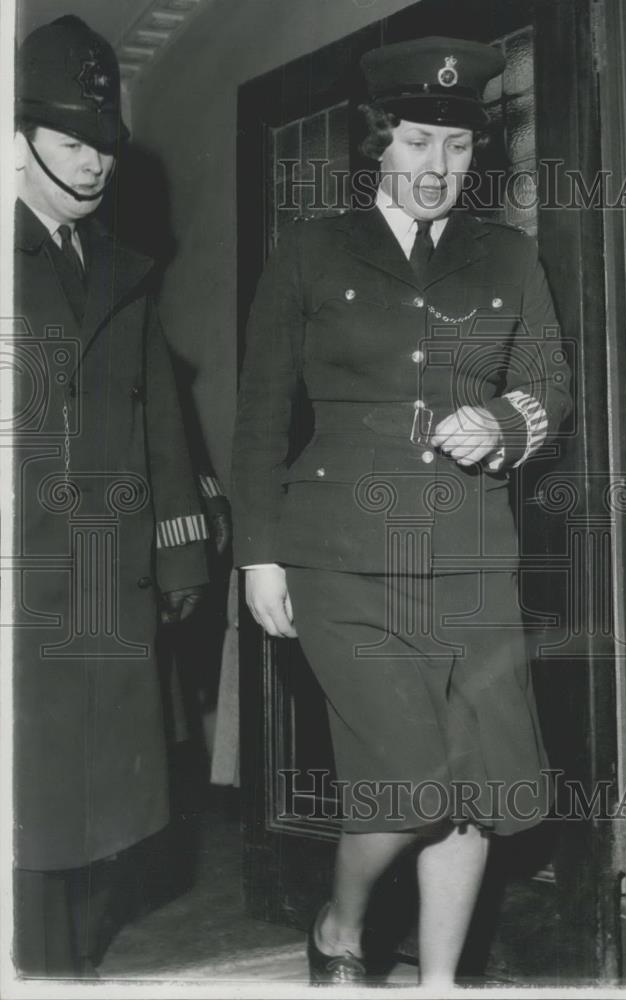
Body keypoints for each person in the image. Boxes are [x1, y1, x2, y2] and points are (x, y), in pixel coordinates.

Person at [232, 36, 572, 986]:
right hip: (339, 554)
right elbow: (260, 414)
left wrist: (504, 422)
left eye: (457, 149)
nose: (436, 169)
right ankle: (342, 926)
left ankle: (436, 981)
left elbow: (549, 382)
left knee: (474, 789)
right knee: (410, 779)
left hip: (469, 551)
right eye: (418, 143)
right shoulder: (307, 250)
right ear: (377, 142)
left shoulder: (505, 253)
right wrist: (258, 554)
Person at [12, 15, 209, 977]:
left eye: (102, 148)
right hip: (28, 572)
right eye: (67, 143)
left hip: (108, 573)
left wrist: (178, 554)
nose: (91, 167)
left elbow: (161, 422)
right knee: (32, 813)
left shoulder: (122, 272)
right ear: (18, 140)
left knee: (96, 815)